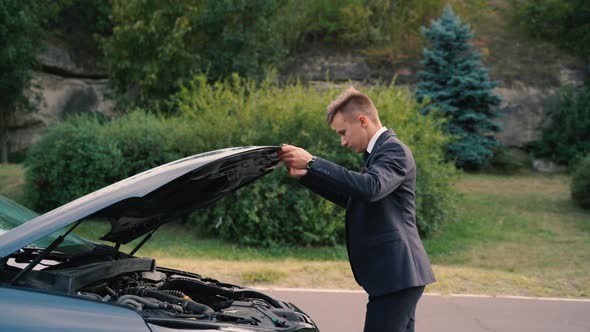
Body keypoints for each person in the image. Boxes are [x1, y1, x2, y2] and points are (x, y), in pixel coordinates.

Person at [278, 87, 435, 332]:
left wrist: (312, 161)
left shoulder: (393, 150)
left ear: (362, 121)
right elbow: (355, 197)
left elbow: (370, 188)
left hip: (397, 275)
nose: (342, 142)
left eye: (343, 132)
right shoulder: (379, 153)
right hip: (398, 276)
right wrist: (307, 176)